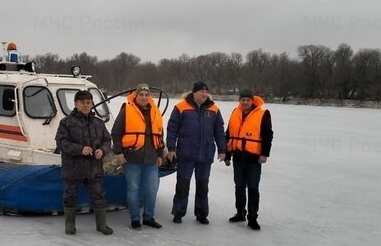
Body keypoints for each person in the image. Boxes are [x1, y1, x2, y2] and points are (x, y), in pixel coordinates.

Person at [166, 81, 226, 225]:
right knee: (182, 185)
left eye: (206, 92)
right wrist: (171, 149)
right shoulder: (181, 107)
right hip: (186, 153)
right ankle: (178, 213)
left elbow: (219, 131)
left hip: (205, 153)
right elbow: (172, 129)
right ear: (194, 92)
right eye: (201, 92)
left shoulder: (214, 109)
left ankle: (201, 214)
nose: (204, 94)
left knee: (203, 186)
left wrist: (222, 150)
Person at [55, 90, 113, 235]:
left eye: (88, 103)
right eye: (82, 103)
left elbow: (107, 140)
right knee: (70, 197)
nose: (86, 105)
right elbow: (61, 142)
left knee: (99, 196)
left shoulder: (99, 123)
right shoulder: (66, 123)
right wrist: (80, 149)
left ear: (92, 104)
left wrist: (103, 150)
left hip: (94, 168)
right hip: (72, 169)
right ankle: (70, 225)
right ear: (76, 104)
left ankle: (101, 225)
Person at [112, 84, 165, 230]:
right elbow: (116, 133)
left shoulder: (156, 112)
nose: (144, 97)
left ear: (149, 97)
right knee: (133, 188)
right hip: (132, 158)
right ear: (136, 96)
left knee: (151, 190)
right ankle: (135, 218)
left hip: (152, 159)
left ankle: (148, 217)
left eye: (146, 94)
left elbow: (160, 135)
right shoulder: (126, 110)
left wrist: (160, 154)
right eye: (141, 94)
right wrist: (118, 152)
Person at [225, 89, 273, 230]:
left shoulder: (263, 113)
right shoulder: (235, 112)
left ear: (252, 101)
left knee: (252, 187)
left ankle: (252, 217)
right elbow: (229, 134)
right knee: (239, 186)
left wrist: (264, 154)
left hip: (254, 158)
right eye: (243, 100)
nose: (245, 102)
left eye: (248, 100)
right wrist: (228, 155)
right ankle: (240, 212)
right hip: (238, 157)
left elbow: (268, 135)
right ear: (239, 100)